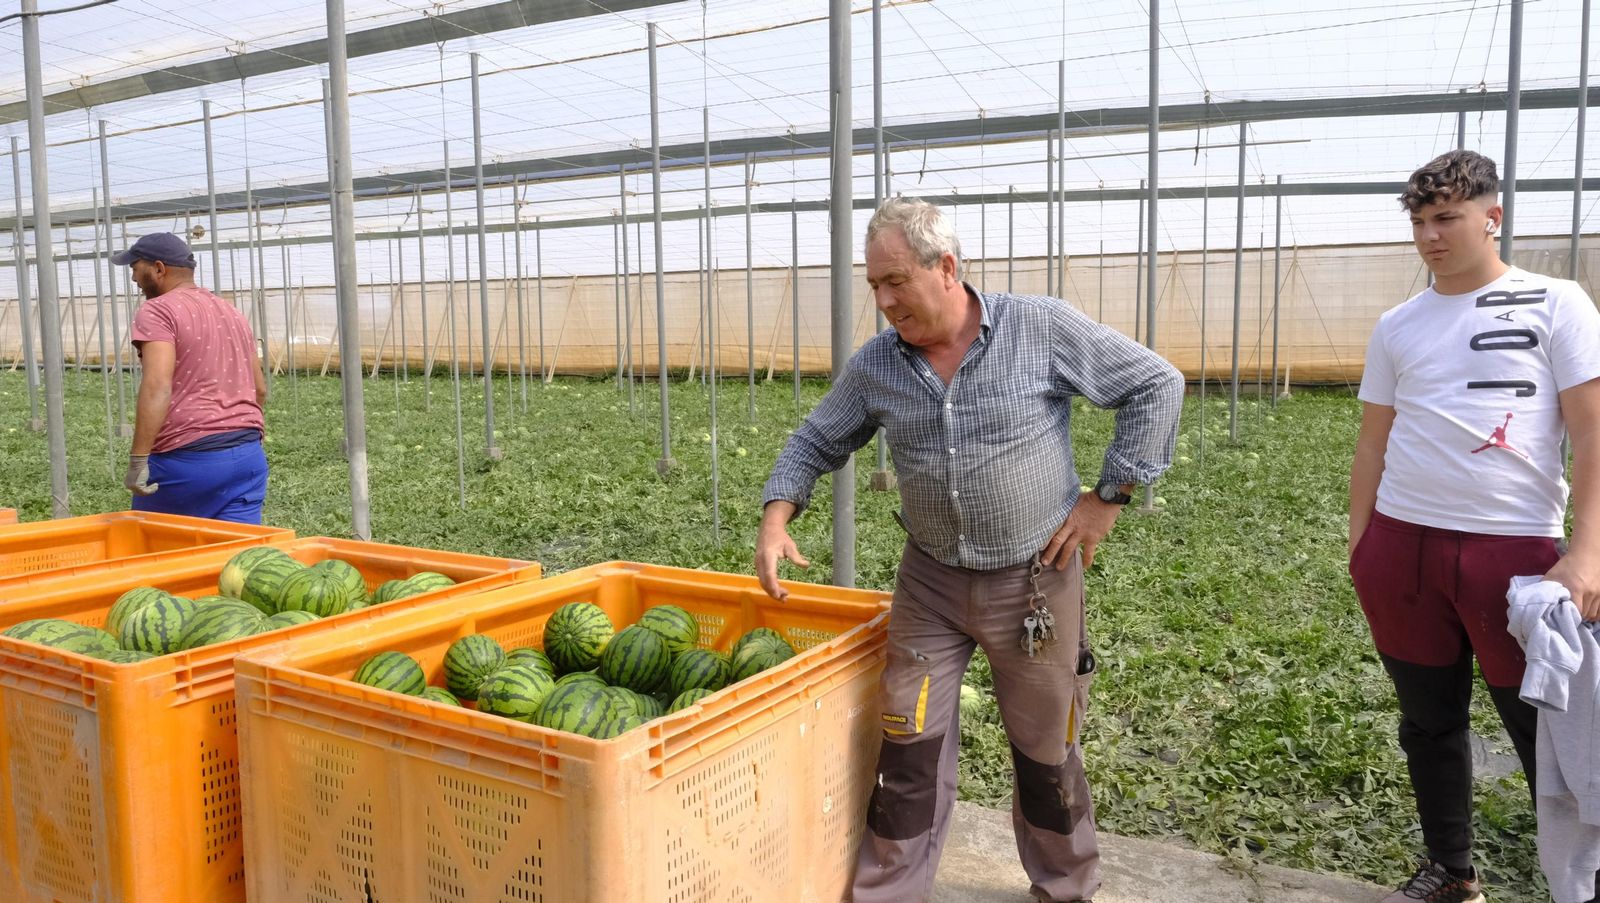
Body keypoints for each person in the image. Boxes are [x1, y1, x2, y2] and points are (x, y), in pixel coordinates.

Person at [755, 197, 1184, 903]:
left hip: (1035, 583)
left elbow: (1155, 382)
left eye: (897, 281)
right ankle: (889, 893)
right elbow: (816, 439)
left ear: (946, 267)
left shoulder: (1039, 328)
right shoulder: (878, 365)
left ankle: (1065, 886)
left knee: (1046, 752)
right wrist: (777, 518)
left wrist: (1108, 496)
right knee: (908, 747)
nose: (884, 301)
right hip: (930, 586)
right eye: (875, 285)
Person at [1349, 150, 1600, 903]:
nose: (1430, 236)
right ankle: (1451, 871)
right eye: (1420, 222)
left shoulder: (1557, 303)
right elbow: (1372, 440)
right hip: (1402, 550)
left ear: (1493, 217)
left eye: (1446, 219)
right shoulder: (1399, 324)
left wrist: (1587, 553)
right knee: (1427, 721)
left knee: (1549, 733)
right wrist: (1363, 546)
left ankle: (1582, 884)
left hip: (1514, 555)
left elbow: (1592, 433)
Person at [113, 232, 270, 524]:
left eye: (135, 267)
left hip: (186, 461)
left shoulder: (158, 311)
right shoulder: (231, 311)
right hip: (247, 457)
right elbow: (259, 389)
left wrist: (138, 461)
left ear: (159, 268)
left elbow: (157, 386)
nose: (133, 278)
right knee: (237, 551)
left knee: (157, 545)